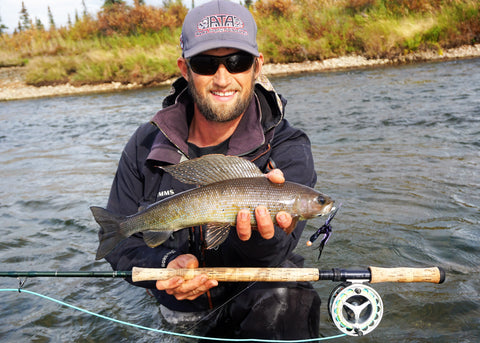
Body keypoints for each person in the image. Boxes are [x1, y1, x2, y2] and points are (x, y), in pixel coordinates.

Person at [100, 0, 320, 339]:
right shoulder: (144, 144)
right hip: (177, 313)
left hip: (255, 300)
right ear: (184, 69)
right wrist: (163, 265)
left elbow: (276, 252)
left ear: (256, 66)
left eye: (237, 61)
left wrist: (262, 238)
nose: (222, 78)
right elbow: (115, 240)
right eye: (205, 64)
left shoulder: (288, 147)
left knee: (287, 297)